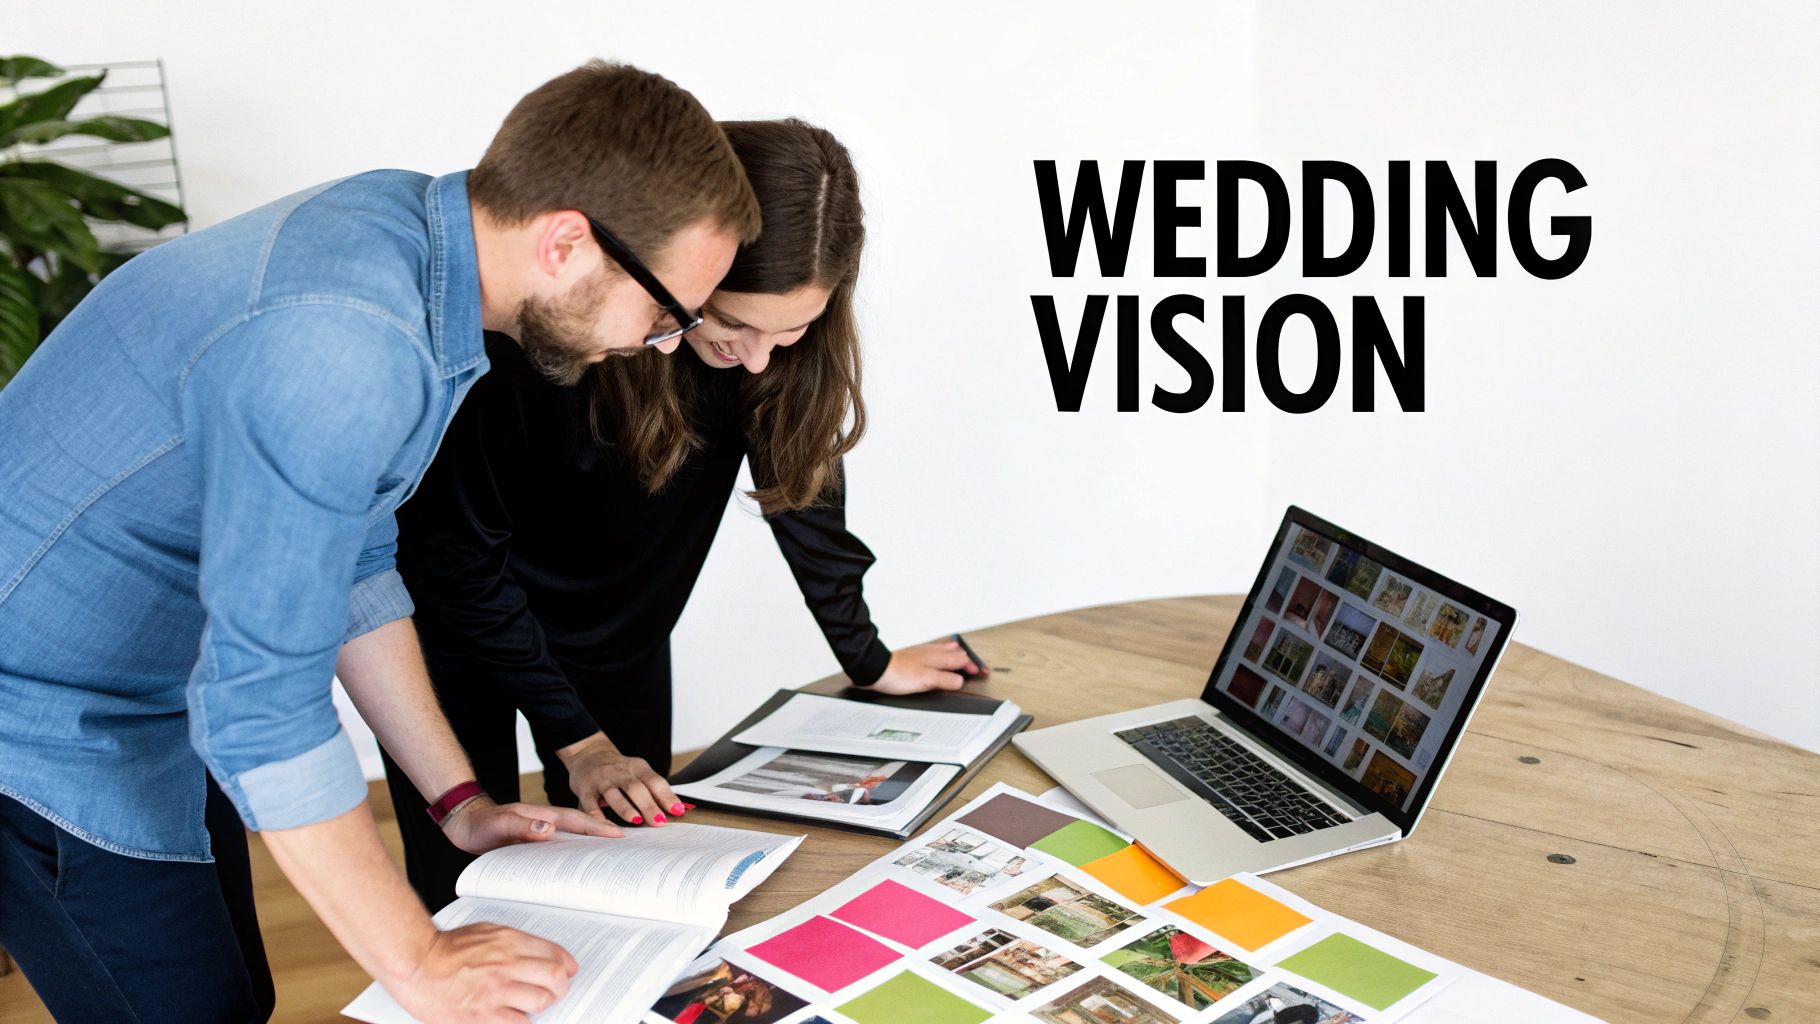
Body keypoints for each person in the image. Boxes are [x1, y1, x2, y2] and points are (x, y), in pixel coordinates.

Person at [0, 62, 761, 1024]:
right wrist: (420, 961)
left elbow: (358, 563)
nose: (661, 344)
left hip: (140, 692)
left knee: (238, 992)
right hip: (36, 722)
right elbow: (260, 710)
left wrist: (459, 805)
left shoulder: (409, 240)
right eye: (666, 314)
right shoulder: (345, 342)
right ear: (568, 241)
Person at [387, 118, 983, 910]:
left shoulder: (771, 350)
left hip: (622, 638)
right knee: (457, 889)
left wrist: (867, 655)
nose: (760, 358)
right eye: (730, 323)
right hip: (453, 632)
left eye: (794, 329)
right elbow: (455, 556)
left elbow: (801, 494)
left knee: (641, 877)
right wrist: (577, 739)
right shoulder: (542, 327)